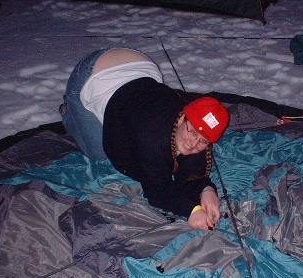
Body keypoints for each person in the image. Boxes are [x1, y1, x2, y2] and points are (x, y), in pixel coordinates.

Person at [60, 48, 230, 231]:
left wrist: (207, 190)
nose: (194, 144)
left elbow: (193, 174)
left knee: (125, 126)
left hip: (140, 67)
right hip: (92, 75)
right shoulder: (152, 136)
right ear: (181, 118)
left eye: (203, 141)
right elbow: (157, 190)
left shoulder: (194, 127)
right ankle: (70, 111)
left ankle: (112, 113)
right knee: (98, 152)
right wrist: (191, 210)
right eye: (193, 133)